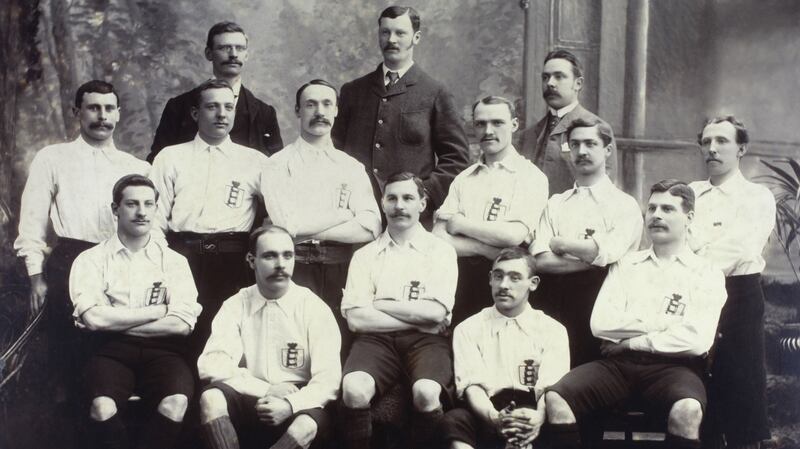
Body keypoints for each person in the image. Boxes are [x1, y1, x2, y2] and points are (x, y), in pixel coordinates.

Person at [13, 79, 149, 446]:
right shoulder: (53, 158)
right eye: (93, 108)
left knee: (115, 361)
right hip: (69, 262)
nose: (101, 116)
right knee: (67, 364)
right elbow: (32, 221)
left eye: (108, 109)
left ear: (118, 114)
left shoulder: (136, 166)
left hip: (121, 262)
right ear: (77, 112)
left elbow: (149, 225)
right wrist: (37, 276)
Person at [544, 180, 727, 449]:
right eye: (651, 208)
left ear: (689, 218)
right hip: (618, 366)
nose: (656, 215)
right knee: (557, 398)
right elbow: (601, 323)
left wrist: (631, 340)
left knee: (687, 409)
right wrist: (666, 325)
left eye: (667, 209)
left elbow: (697, 340)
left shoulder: (706, 272)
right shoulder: (626, 263)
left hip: (675, 368)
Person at [69, 174, 201, 449]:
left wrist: (112, 320)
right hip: (110, 351)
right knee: (102, 408)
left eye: (148, 204)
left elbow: (181, 325)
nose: (141, 212)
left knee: (176, 403)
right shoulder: (91, 260)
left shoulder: (175, 262)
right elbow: (93, 318)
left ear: (155, 208)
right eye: (131, 204)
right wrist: (158, 311)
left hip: (164, 352)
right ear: (115, 209)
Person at [150, 78, 268, 359]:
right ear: (195, 113)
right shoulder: (171, 158)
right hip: (183, 258)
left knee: (231, 338)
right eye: (212, 107)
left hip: (235, 262)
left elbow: (277, 216)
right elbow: (155, 220)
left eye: (228, 107)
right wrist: (162, 262)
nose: (221, 114)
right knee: (183, 339)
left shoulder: (255, 161)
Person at [339, 172, 457, 449]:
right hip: (376, 342)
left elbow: (436, 314)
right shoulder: (365, 255)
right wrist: (416, 321)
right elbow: (356, 319)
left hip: (428, 342)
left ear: (423, 204)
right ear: (382, 203)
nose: (399, 206)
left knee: (426, 393)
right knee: (354, 388)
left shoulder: (441, 251)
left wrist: (381, 304)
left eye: (408, 198)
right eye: (391, 198)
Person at [262, 79, 381, 351]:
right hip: (295, 266)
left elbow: (371, 226)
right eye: (311, 104)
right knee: (293, 344)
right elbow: (286, 226)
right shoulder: (277, 164)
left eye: (327, 104)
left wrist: (312, 229)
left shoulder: (351, 167)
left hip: (340, 267)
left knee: (336, 346)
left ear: (337, 110)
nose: (320, 111)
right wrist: (342, 215)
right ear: (297, 110)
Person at [197, 225, 341, 449]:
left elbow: (328, 381)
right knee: (211, 398)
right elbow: (213, 364)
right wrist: (265, 390)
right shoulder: (236, 304)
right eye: (270, 256)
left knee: (305, 426)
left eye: (287, 255)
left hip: (300, 399)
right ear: (251, 260)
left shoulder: (314, 308)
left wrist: (290, 404)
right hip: (251, 393)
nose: (281, 265)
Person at [331, 5, 469, 226]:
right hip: (354, 216)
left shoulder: (435, 92)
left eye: (400, 33)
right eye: (385, 32)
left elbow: (456, 160)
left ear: (416, 37)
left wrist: (423, 195)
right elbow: (333, 152)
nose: (391, 39)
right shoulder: (353, 91)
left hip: (411, 218)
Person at [689, 116, 775, 449]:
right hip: (694, 297)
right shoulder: (691, 194)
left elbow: (741, 248)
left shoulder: (757, 196)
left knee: (741, 391)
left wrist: (696, 253)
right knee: (702, 391)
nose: (712, 148)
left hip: (739, 297)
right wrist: (698, 251)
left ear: (741, 148)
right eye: (706, 142)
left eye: (722, 141)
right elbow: (677, 242)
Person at [530, 118, 642, 367]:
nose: (582, 151)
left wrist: (561, 244)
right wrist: (594, 259)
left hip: (601, 303)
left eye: (590, 143)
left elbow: (608, 252)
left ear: (608, 150)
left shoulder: (624, 205)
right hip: (553, 304)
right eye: (575, 144)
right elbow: (541, 261)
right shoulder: (556, 203)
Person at [434, 96, 548, 326]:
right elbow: (438, 237)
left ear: (514, 125)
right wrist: (484, 248)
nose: (488, 131)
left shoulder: (530, 176)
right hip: (462, 280)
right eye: (480, 124)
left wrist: (461, 225)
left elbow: (513, 236)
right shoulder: (464, 179)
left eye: (497, 123)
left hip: (508, 281)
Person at [441, 247, 569, 449]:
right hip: (487, 410)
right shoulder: (468, 328)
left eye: (515, 278)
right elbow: (472, 386)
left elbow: (551, 387)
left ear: (533, 283)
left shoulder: (553, 330)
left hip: (534, 410)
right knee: (455, 421)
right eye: (498, 276)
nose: (504, 285)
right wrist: (494, 417)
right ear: (490, 278)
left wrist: (538, 417)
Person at [148, 21, 282, 162]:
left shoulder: (265, 113)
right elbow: (157, 162)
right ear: (209, 53)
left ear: (247, 55)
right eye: (225, 48)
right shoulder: (178, 107)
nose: (233, 55)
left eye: (240, 48)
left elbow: (276, 169)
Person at [519, 49, 616, 195]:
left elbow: (603, 189)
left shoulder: (597, 128)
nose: (550, 83)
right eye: (545, 77)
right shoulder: (528, 135)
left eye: (559, 77)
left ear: (578, 83)